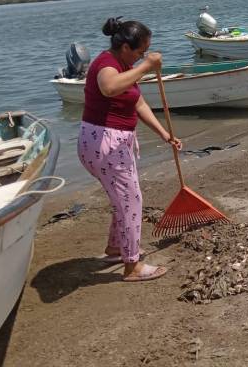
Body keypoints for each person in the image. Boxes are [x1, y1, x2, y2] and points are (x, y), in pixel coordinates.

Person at [78, 17, 182, 282]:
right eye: (140, 52)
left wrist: (164, 134)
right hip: (105, 144)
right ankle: (132, 266)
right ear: (125, 47)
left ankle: (116, 248)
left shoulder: (125, 66)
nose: (142, 57)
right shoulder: (106, 65)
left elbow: (138, 103)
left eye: (145, 53)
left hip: (109, 143)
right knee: (131, 201)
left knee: (122, 198)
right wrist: (147, 66)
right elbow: (109, 87)